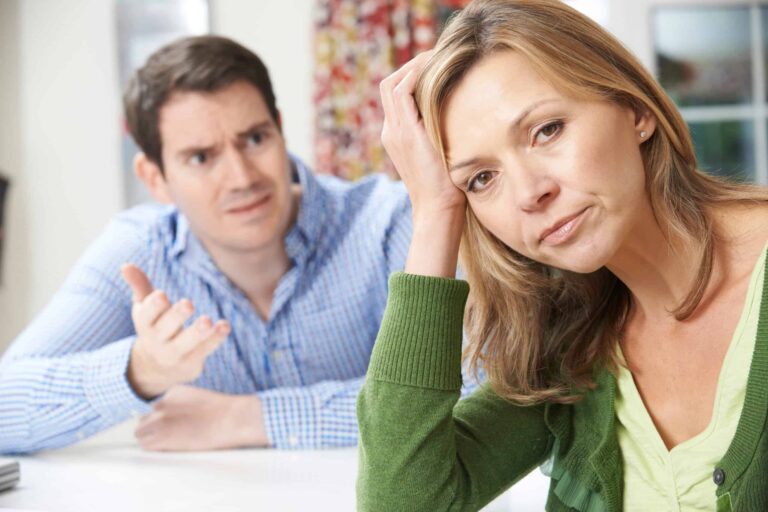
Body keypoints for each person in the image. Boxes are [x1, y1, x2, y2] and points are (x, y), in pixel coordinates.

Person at [356, 1, 768, 510]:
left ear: (635, 110)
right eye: (482, 179)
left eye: (546, 130)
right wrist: (435, 211)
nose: (530, 193)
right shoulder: (568, 348)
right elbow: (401, 502)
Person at [0, 35, 413, 454]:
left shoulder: (389, 222)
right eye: (201, 157)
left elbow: (474, 393)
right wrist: (142, 369)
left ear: (280, 130)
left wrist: (247, 418)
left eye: (254, 138)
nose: (242, 177)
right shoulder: (139, 251)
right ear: (154, 178)